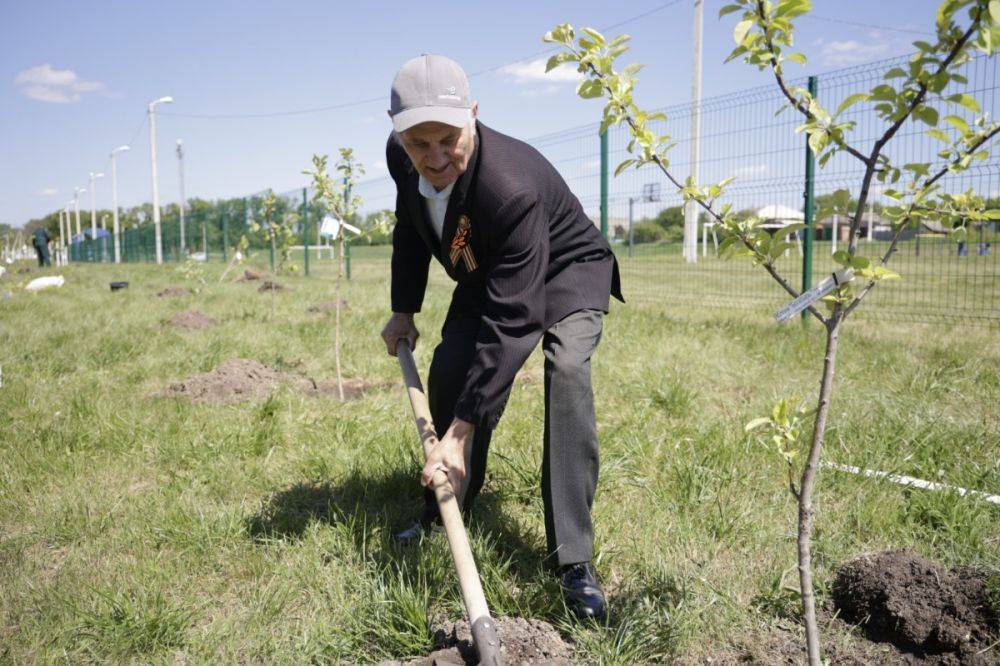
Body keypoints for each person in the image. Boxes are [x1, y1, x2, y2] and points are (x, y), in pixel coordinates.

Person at [380, 54, 624, 621]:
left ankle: (573, 560)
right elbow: (408, 229)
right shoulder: (402, 156)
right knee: (449, 369)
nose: (436, 158)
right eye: (420, 144)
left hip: (566, 267)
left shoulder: (510, 186)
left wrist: (459, 432)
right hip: (493, 268)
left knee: (565, 373)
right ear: (397, 132)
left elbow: (513, 323)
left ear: (473, 115)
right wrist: (403, 310)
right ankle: (446, 506)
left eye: (449, 140)